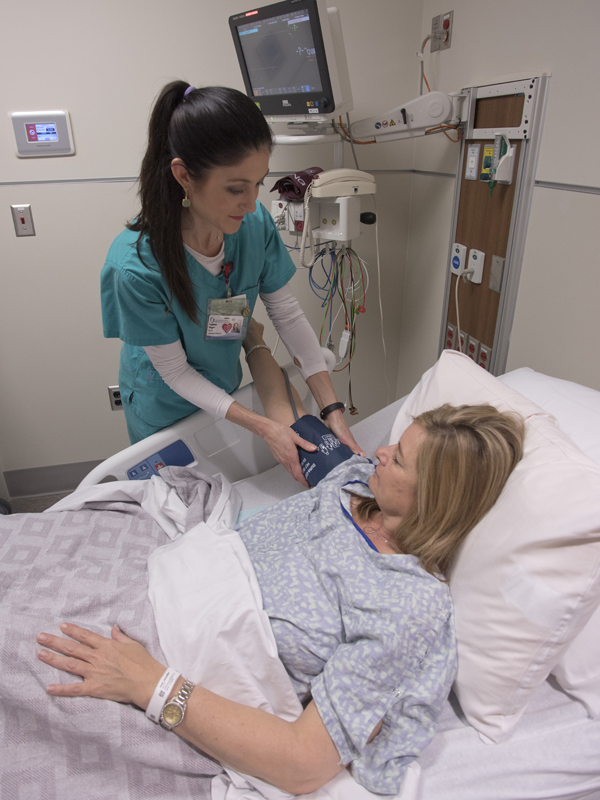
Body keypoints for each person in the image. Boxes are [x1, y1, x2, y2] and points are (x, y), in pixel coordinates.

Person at [36, 355, 525, 795]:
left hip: (163, 661)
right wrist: (257, 341)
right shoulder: (351, 478)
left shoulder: (407, 604)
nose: (381, 450)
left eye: (397, 458)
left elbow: (303, 764)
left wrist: (153, 686)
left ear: (433, 499)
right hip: (156, 579)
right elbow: (283, 410)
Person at [100, 80, 361, 487]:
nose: (252, 202)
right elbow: (176, 373)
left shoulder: (251, 225)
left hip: (222, 387)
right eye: (237, 188)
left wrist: (332, 409)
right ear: (184, 176)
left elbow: (287, 316)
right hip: (165, 404)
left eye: (258, 183)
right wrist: (262, 426)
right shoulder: (136, 267)